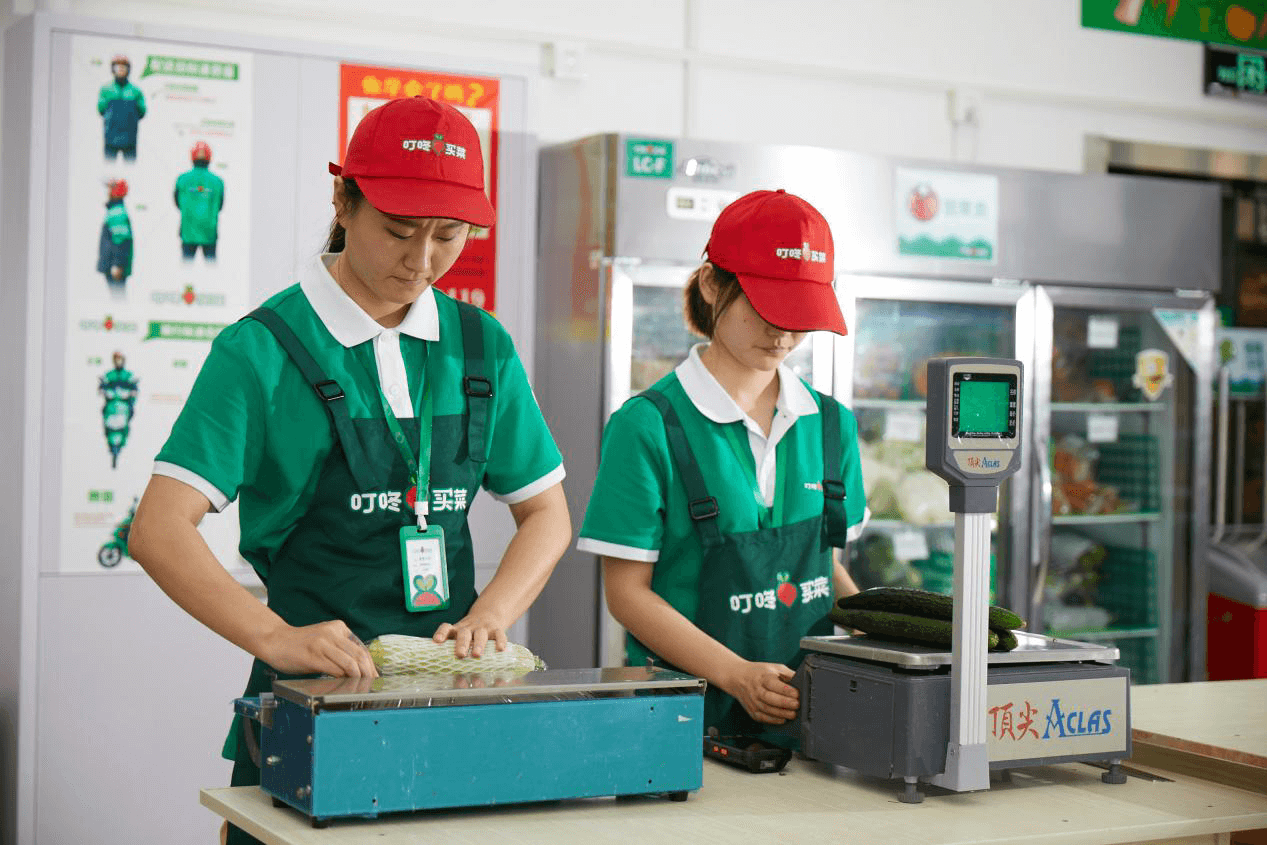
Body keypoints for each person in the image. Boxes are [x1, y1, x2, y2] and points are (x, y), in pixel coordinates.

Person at [128, 96, 571, 845]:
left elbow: (547, 512)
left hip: (446, 708)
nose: (422, 261)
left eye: (448, 235)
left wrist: (491, 615)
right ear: (342, 200)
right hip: (310, 714)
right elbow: (158, 529)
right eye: (399, 231)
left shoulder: (479, 347)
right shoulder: (261, 351)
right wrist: (275, 639)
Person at [577, 189, 868, 740]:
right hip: (680, 721)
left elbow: (821, 567)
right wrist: (734, 675)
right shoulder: (647, 426)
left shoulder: (831, 424)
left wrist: (892, 643)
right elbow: (627, 594)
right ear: (713, 284)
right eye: (765, 308)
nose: (783, 333)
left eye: (800, 315)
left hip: (812, 717)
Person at [174, 141, 225, 262]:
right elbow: (220, 205)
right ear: (209, 158)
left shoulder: (182, 179)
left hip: (188, 232)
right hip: (209, 233)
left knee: (186, 266)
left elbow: (177, 202)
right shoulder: (218, 182)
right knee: (211, 268)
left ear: (192, 157)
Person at [98, 54, 145, 161]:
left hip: (129, 139)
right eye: (117, 67)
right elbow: (100, 110)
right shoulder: (106, 90)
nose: (120, 70)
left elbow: (142, 112)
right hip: (110, 138)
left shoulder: (135, 91)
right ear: (113, 69)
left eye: (123, 67)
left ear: (128, 70)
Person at [97, 179, 133, 297]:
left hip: (114, 267)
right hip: (113, 265)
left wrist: (118, 265)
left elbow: (121, 241)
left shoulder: (117, 213)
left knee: (118, 299)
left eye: (110, 189)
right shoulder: (115, 211)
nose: (108, 192)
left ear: (115, 192)